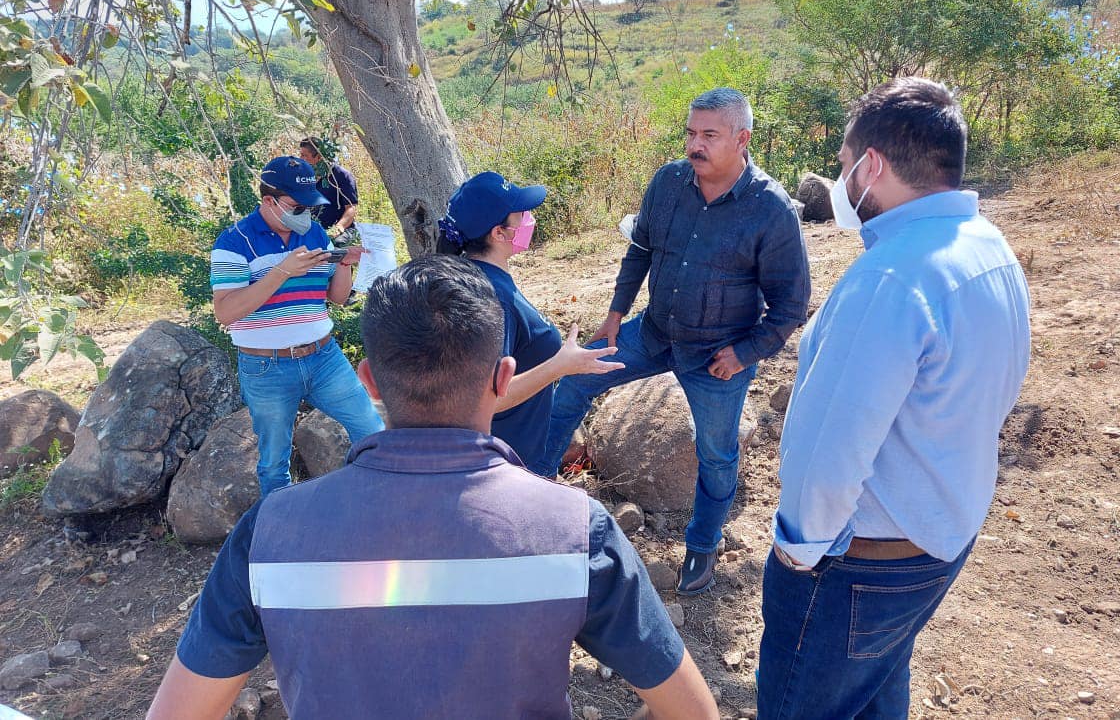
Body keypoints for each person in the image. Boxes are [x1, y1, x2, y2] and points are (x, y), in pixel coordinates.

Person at [146, 255, 720, 720]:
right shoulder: (575, 530)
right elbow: (693, 712)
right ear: (502, 379)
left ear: (369, 382)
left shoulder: (269, 533)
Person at [757, 78, 1031, 719]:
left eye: (844, 163)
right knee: (876, 688)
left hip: (859, 566)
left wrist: (798, 557)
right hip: (940, 536)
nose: (840, 180)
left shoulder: (891, 276)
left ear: (871, 166)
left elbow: (828, 451)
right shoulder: (987, 247)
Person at [536, 88, 812, 596]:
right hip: (654, 332)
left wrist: (745, 353)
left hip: (717, 357)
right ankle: (533, 497)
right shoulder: (668, 182)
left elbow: (792, 304)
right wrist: (615, 316)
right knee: (571, 383)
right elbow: (640, 250)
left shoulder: (770, 209)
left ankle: (702, 545)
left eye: (709, 135)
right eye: (691, 132)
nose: (695, 144)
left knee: (717, 453)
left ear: (741, 139)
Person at [210, 155, 383, 497]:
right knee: (274, 461)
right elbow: (226, 312)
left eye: (309, 206)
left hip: (324, 358)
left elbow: (336, 296)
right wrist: (282, 271)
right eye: (296, 206)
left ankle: (378, 506)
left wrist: (344, 264)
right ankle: (276, 531)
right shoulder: (234, 242)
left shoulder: (316, 233)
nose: (305, 213)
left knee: (372, 430)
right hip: (266, 365)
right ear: (268, 201)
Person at [436, 171, 625, 467]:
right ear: (499, 233)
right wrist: (560, 366)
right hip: (504, 463)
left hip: (513, 454)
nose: (529, 219)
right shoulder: (491, 296)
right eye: (521, 214)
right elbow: (486, 398)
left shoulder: (478, 276)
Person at [298, 136, 359, 246]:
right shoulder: (304, 177)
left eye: (304, 155)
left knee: (336, 244)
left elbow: (351, 208)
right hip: (311, 229)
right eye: (300, 155)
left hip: (338, 230)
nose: (301, 159)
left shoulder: (342, 176)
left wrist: (339, 227)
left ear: (319, 157)